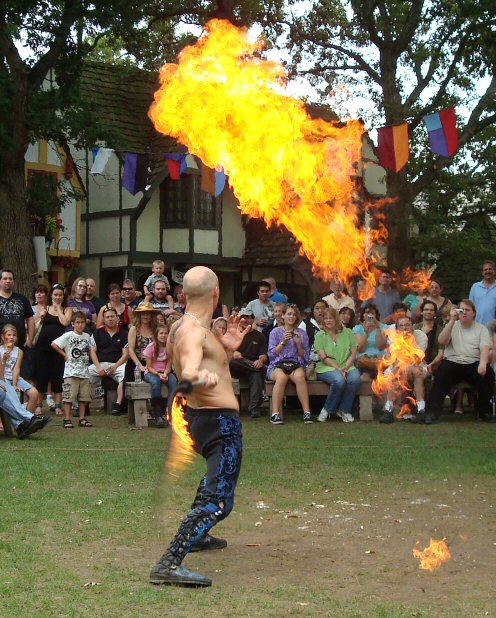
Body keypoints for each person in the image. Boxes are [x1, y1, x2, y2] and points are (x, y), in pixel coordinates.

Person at [149, 266, 249, 587]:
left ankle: (199, 535)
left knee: (213, 474)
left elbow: (182, 357)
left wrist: (228, 350)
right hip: (219, 422)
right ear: (216, 292)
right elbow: (189, 368)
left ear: (183, 294)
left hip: (201, 419)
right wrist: (197, 377)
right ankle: (170, 561)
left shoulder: (184, 326)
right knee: (219, 500)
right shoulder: (194, 332)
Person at [419, 300, 495, 424]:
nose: (464, 313)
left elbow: (485, 347)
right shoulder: (452, 325)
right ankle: (432, 412)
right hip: (453, 362)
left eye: (467, 310)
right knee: (442, 372)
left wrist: (483, 363)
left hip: (473, 363)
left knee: (488, 374)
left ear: (474, 313)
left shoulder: (481, 328)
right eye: (461, 310)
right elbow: (442, 341)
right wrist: (452, 321)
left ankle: (485, 412)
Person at [266, 304, 312, 424]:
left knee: (300, 376)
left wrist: (298, 344)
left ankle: (307, 413)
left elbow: (306, 357)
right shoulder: (275, 332)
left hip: (295, 364)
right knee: (281, 377)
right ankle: (275, 414)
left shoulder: (302, 333)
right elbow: (271, 355)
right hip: (277, 364)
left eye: (294, 314)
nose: (291, 317)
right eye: (289, 314)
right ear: (283, 316)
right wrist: (283, 342)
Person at [378, 315, 428, 424]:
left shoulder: (421, 336)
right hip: (398, 367)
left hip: (416, 366)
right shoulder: (393, 337)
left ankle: (389, 410)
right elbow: (394, 360)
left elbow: (416, 359)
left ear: (412, 326)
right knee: (397, 370)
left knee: (416, 371)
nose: (404, 328)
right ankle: (419, 410)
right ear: (397, 329)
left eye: (407, 325)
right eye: (401, 326)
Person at [315, 308, 361, 423]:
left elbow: (353, 353)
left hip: (347, 365)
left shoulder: (348, 332)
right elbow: (323, 357)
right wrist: (339, 369)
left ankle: (344, 410)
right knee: (339, 380)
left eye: (330, 318)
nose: (328, 321)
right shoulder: (320, 335)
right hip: (327, 367)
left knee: (355, 379)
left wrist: (345, 367)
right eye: (325, 318)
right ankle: (327, 410)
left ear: (336, 319)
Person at [32, 283, 73, 416]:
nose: (58, 297)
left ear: (63, 296)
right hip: (42, 347)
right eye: (55, 295)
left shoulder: (67, 309)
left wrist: (58, 309)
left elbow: (65, 322)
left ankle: (57, 405)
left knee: (58, 376)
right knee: (41, 376)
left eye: (60, 295)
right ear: (51, 295)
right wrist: (42, 315)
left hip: (58, 348)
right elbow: (35, 323)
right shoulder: (45, 307)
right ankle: (38, 405)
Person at [51, 311, 93, 428]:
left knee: (83, 397)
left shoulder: (87, 337)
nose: (80, 325)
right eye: (77, 323)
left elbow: (91, 350)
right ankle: (67, 419)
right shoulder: (68, 335)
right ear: (73, 324)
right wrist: (64, 354)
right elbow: (54, 344)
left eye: (82, 322)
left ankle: (82, 418)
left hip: (84, 371)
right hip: (71, 372)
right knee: (69, 397)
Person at [89, 306, 129, 415]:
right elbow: (92, 351)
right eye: (107, 317)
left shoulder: (125, 334)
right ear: (104, 319)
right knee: (85, 375)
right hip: (100, 364)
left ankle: (118, 404)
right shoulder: (97, 333)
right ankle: (84, 404)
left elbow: (126, 354)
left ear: (117, 318)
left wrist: (115, 366)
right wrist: (98, 367)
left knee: (125, 375)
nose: (110, 319)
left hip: (118, 364)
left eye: (112, 316)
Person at [229, 308, 268, 418]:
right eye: (243, 317)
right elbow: (226, 350)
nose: (245, 320)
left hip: (252, 367)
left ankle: (254, 408)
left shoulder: (259, 336)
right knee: (235, 360)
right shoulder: (234, 333)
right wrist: (233, 352)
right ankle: (263, 369)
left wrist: (260, 361)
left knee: (256, 374)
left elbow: (263, 355)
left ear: (253, 319)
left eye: (248, 317)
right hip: (237, 366)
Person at [0, 269, 35, 377]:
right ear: (0, 281)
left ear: (14, 281)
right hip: (1, 347)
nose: (8, 281)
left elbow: (30, 319)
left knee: (23, 377)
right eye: (5, 278)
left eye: (10, 278)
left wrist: (30, 340)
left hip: (20, 347)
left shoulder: (22, 299)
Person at [143, 324, 178, 427]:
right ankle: (157, 413)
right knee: (155, 382)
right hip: (152, 372)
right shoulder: (151, 347)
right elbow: (149, 366)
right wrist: (158, 374)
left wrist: (166, 374)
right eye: (161, 333)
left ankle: (168, 411)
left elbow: (169, 364)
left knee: (173, 381)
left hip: (165, 371)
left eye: (166, 333)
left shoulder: (170, 348)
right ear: (156, 335)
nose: (163, 335)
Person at [0, 324, 39, 412]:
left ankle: (29, 420)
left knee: (34, 393)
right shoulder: (0, 350)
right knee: (11, 394)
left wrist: (14, 384)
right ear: (3, 337)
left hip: (14, 378)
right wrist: (4, 360)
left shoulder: (19, 351)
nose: (11, 337)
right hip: (2, 378)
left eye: (14, 335)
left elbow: (16, 368)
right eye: (9, 335)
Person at [124, 301, 159, 384]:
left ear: (151, 315)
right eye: (143, 314)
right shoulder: (134, 329)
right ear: (139, 315)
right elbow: (131, 350)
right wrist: (139, 365)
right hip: (135, 363)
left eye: (148, 314)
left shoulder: (156, 330)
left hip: (152, 364)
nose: (145, 316)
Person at [352, 303, 388, 380]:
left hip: (380, 360)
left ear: (376, 315)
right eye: (367, 313)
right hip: (364, 361)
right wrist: (366, 332)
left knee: (383, 379)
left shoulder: (384, 327)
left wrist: (378, 328)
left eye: (372, 313)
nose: (370, 316)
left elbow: (381, 346)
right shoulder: (358, 328)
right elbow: (361, 349)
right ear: (363, 315)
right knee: (364, 377)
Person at [414, 300, 444, 374]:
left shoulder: (441, 330)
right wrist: (422, 333)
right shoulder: (415, 327)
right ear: (421, 312)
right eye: (426, 309)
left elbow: (441, 353)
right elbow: (412, 348)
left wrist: (431, 365)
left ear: (435, 313)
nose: (428, 312)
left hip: (434, 363)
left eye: (431, 310)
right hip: (417, 362)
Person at [469, 260, 496, 326]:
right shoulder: (475, 287)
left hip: (493, 328)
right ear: (482, 272)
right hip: (476, 326)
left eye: (490, 269)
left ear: (494, 271)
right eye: (485, 270)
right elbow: (469, 306)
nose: (488, 271)